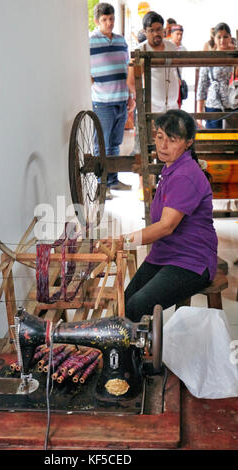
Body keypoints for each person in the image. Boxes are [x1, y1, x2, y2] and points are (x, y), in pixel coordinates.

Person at [123, 109, 218, 321]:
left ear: (188, 142)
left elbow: (166, 226)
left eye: (172, 140)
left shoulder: (185, 175)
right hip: (166, 253)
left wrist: (124, 241)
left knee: (137, 306)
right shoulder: (171, 169)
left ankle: (139, 352)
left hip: (191, 261)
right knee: (125, 301)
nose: (163, 146)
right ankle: (133, 352)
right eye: (159, 137)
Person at [90, 2, 136, 200]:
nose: (109, 23)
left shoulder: (121, 40)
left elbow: (128, 67)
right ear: (96, 21)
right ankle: (101, 186)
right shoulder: (90, 41)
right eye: (104, 20)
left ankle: (113, 180)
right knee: (102, 143)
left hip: (121, 98)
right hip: (102, 101)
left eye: (111, 19)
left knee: (115, 144)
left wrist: (130, 95)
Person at [128, 11, 179, 156]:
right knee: (148, 150)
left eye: (159, 30)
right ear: (145, 32)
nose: (156, 33)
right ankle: (149, 177)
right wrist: (140, 100)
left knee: (172, 148)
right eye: (151, 31)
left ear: (164, 29)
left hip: (172, 108)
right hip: (151, 109)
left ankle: (169, 177)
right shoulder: (141, 51)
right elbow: (131, 82)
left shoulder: (171, 47)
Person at [196, 23, 233, 129]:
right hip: (213, 105)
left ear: (230, 37)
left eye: (225, 37)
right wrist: (199, 117)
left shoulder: (235, 55)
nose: (222, 40)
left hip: (234, 104)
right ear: (214, 38)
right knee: (214, 139)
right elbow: (201, 88)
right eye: (219, 37)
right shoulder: (209, 58)